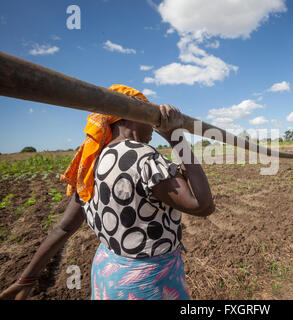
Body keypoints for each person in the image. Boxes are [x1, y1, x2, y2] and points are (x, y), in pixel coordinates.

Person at [0, 85, 215, 300]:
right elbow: (202, 205)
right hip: (147, 282)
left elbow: (64, 228)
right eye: (149, 118)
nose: (153, 126)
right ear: (131, 116)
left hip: (109, 274)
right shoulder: (144, 157)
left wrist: (26, 279)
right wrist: (175, 136)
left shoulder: (91, 161)